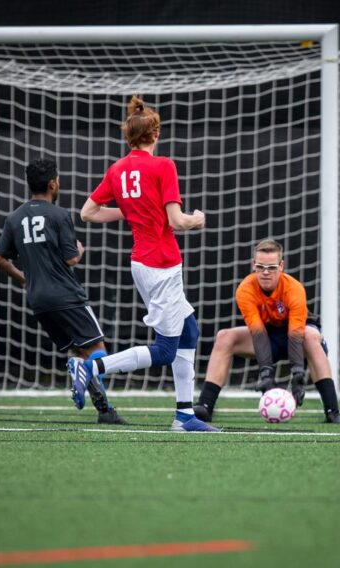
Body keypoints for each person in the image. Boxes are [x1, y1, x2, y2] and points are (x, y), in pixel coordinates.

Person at [72, 94, 218, 433]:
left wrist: (132, 210)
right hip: (162, 263)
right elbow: (178, 221)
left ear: (129, 136)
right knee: (166, 350)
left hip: (142, 262)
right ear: (155, 134)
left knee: (189, 330)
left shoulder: (117, 169)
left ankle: (184, 416)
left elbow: (87, 212)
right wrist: (197, 220)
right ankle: (93, 369)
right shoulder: (163, 165)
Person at [0, 158, 126, 425]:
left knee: (80, 350)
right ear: (53, 184)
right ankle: (82, 373)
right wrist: (80, 252)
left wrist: (22, 279)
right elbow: (70, 259)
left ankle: (105, 411)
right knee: (99, 352)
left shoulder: (15, 217)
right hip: (67, 295)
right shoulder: (59, 215)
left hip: (38, 300)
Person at [192, 239, 340, 424]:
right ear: (253, 265)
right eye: (260, 267)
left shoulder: (294, 288)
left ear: (281, 266)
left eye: (272, 267)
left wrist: (297, 374)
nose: (265, 272)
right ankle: (205, 406)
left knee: (310, 335)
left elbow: (295, 334)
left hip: (298, 338)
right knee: (225, 337)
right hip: (267, 338)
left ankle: (332, 410)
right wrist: (266, 373)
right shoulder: (245, 289)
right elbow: (258, 333)